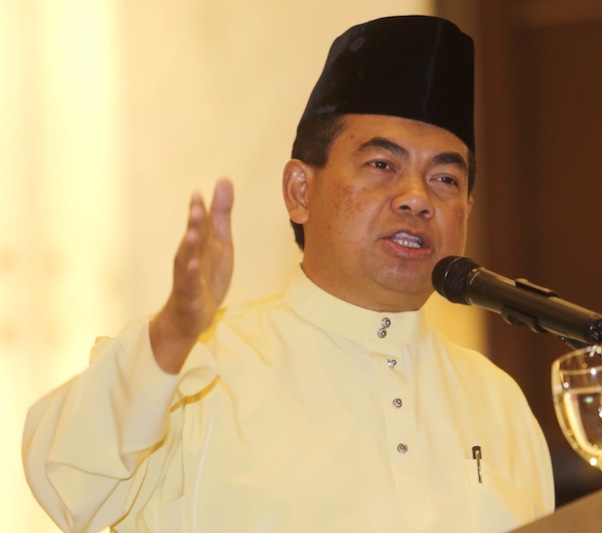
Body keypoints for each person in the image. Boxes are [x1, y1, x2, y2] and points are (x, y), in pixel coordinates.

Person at [22, 15, 554, 532]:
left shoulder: (498, 400)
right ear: (300, 191)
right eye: (382, 165)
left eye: (444, 178)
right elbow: (64, 478)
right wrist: (173, 331)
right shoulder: (194, 369)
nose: (417, 198)